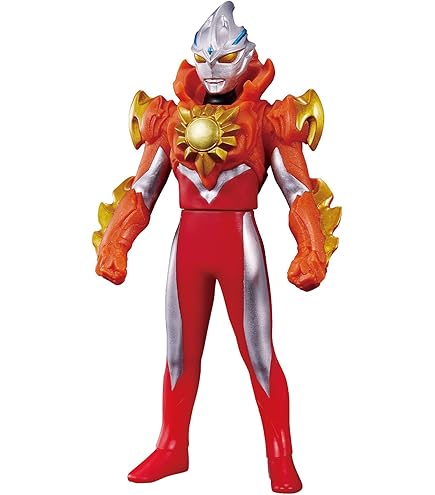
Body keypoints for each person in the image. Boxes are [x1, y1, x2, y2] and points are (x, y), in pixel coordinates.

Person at [93, 2, 340, 493]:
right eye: (203, 58)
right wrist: (116, 244)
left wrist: (311, 250)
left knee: (259, 356)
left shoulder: (269, 120)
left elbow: (297, 190)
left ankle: (280, 455)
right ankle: (172, 446)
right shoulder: (169, 120)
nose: (211, 69)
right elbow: (142, 190)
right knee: (178, 354)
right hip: (188, 245)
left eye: (224, 58)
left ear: (246, 58)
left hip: (238, 244)